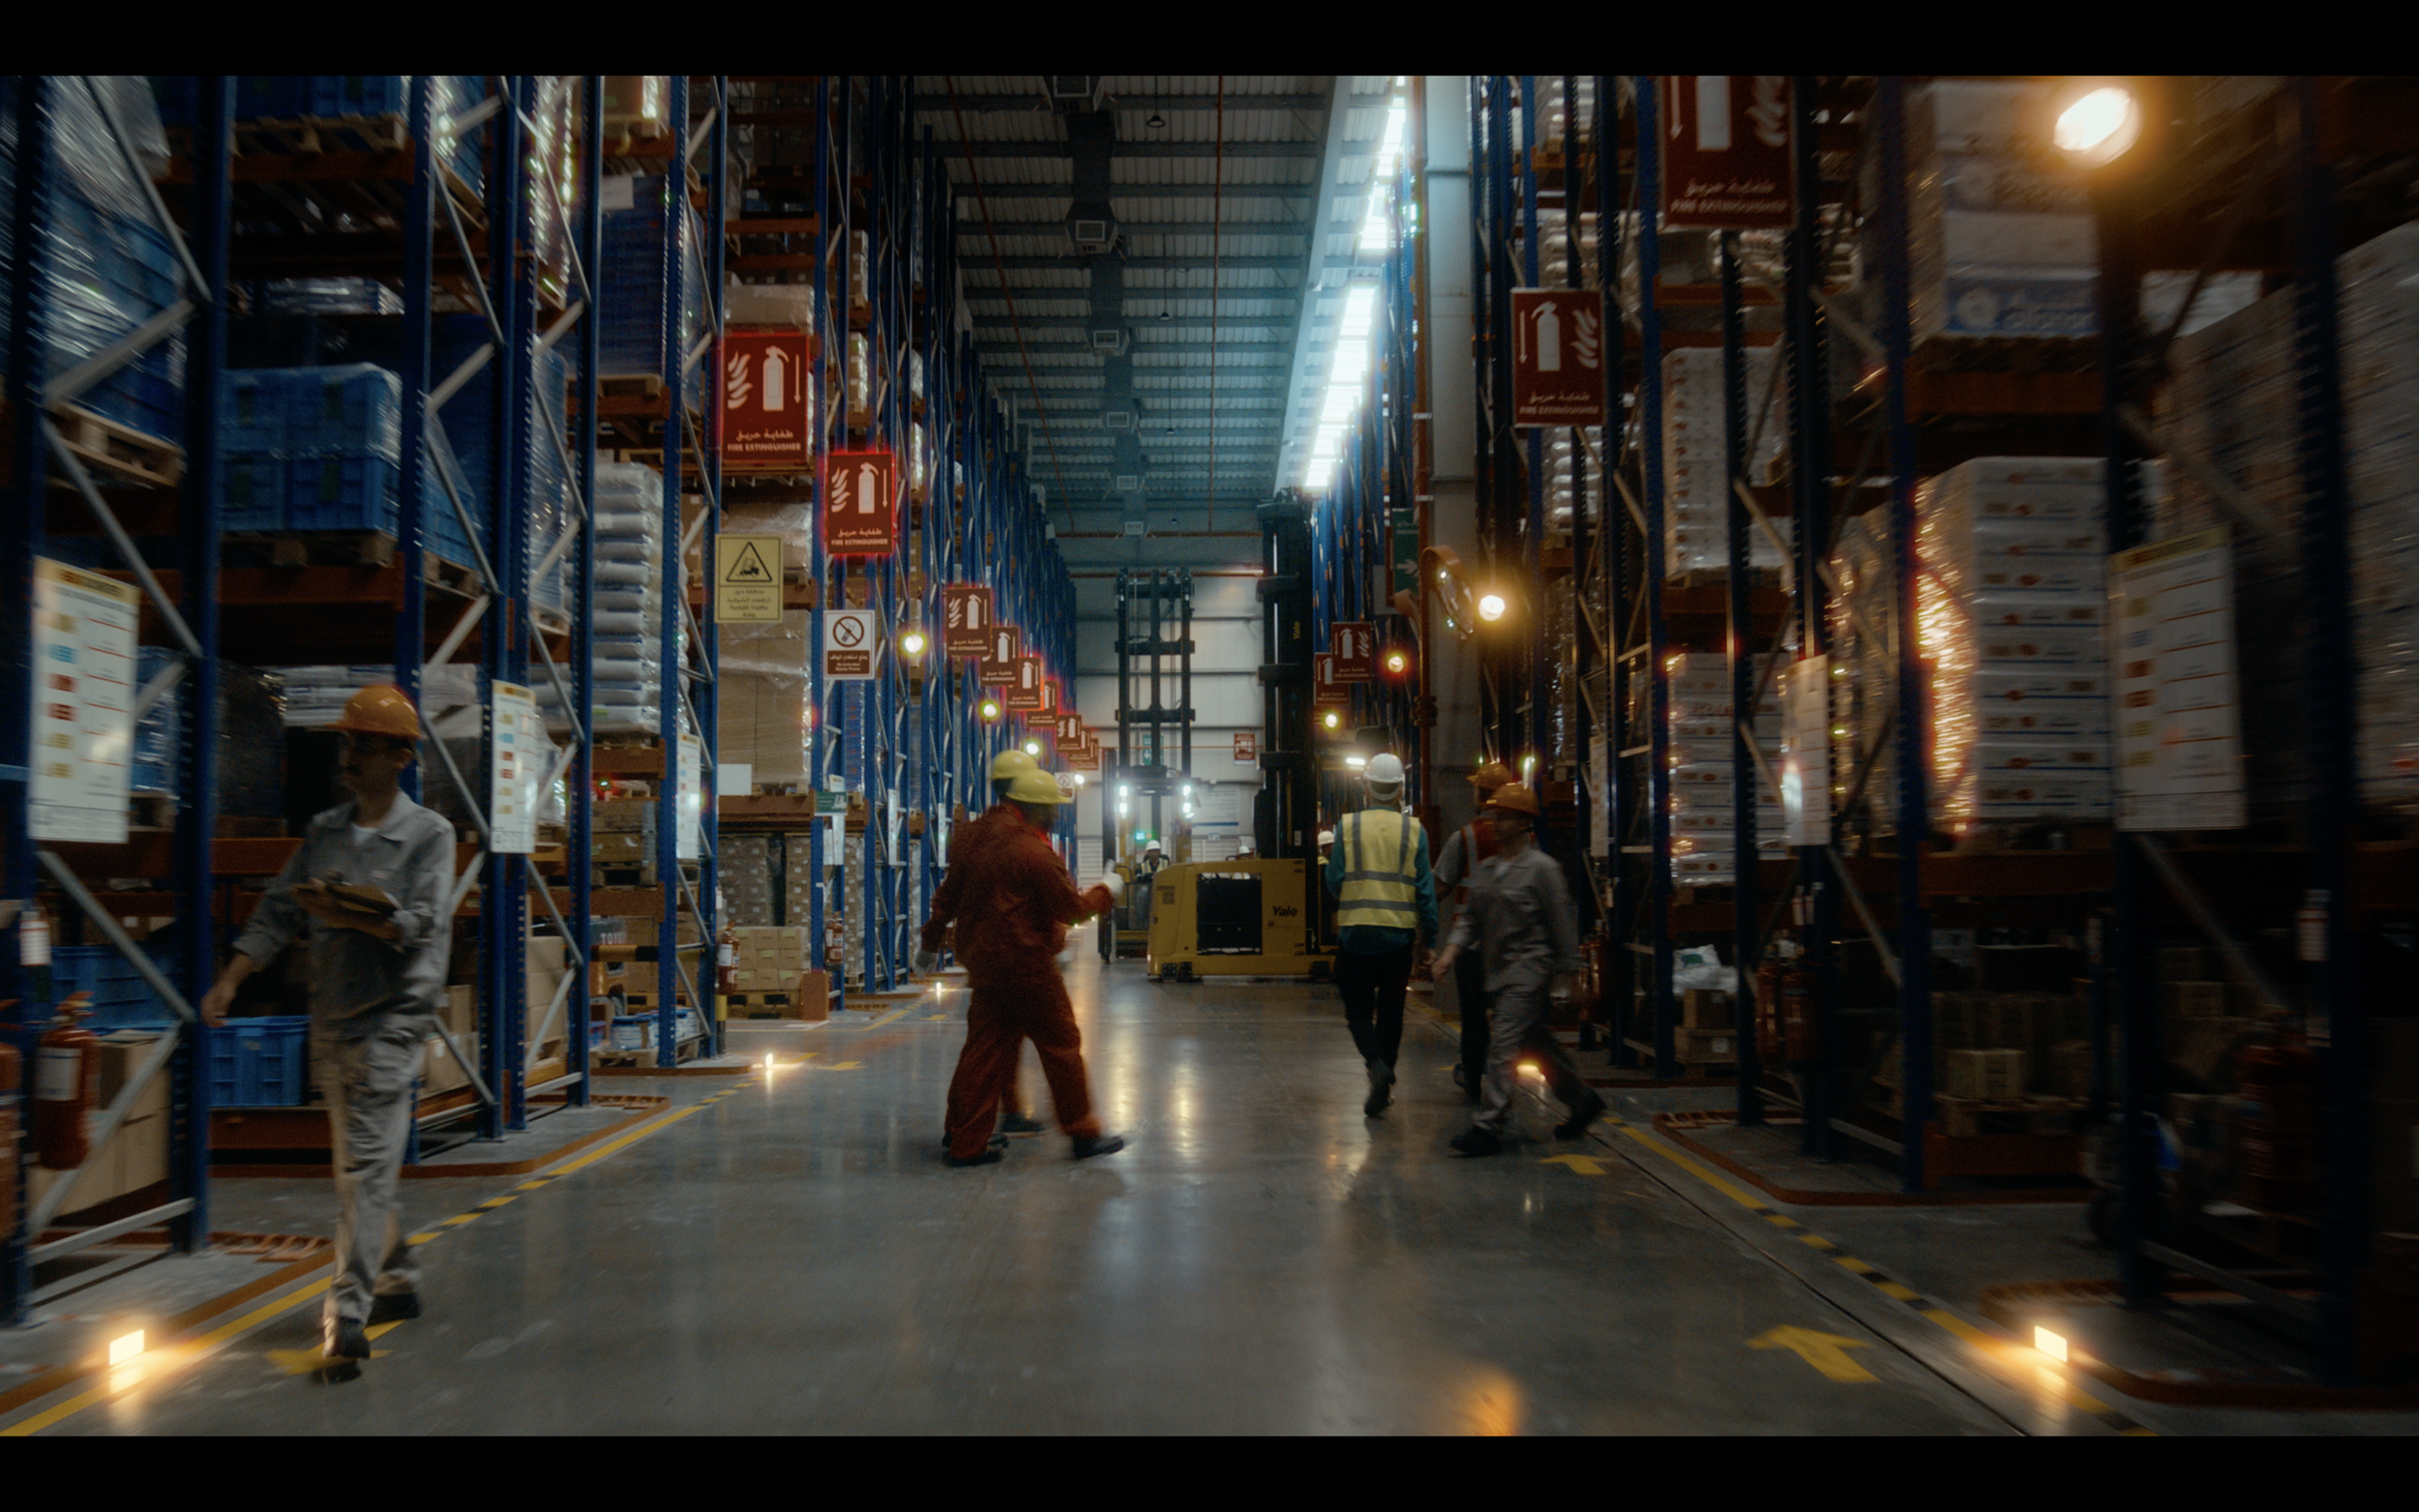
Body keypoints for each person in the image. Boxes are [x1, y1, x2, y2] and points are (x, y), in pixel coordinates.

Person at [198, 685, 454, 1374]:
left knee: (360, 1172)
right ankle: (397, 1273)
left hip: (392, 1023)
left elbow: (421, 924)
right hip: (333, 1021)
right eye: (347, 742)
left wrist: (351, 913)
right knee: (361, 1169)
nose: (349, 755)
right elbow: (278, 912)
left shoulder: (430, 835)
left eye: (364, 744)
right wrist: (230, 979)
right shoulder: (325, 831)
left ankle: (347, 1309)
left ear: (399, 755)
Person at [929, 767, 1129, 1167]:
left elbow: (947, 895)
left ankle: (965, 1139)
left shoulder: (970, 840)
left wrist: (928, 941)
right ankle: (1083, 1132)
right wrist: (1107, 890)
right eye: (1051, 808)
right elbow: (1071, 910)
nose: (1055, 815)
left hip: (985, 967)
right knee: (1062, 1045)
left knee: (982, 1052)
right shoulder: (1032, 852)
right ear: (1033, 808)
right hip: (1028, 968)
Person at [1429, 784, 1604, 1155]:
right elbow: (1470, 921)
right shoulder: (1490, 869)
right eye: (1495, 814)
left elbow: (1561, 924)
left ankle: (1489, 1125)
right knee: (1535, 1044)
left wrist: (1570, 974)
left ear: (1525, 823)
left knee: (1504, 1046)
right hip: (1496, 973)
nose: (1496, 821)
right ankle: (1583, 1100)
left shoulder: (1542, 869)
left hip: (1527, 973)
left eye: (1506, 815)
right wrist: (1448, 955)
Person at [919, 750, 1053, 1142]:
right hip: (1015, 958)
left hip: (993, 955)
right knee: (995, 1047)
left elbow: (948, 894)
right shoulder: (1012, 839)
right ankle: (969, 1126)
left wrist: (930, 941)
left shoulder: (980, 834)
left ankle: (998, 1115)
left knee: (999, 1043)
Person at [1323, 753, 1437, 1117]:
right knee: (1391, 1013)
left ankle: (1375, 1064)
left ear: (1366, 786)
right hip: (1399, 937)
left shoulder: (1348, 827)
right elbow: (1426, 893)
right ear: (1400, 789)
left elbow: (1334, 881)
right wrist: (1430, 941)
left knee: (1357, 1010)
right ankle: (1384, 1080)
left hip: (1357, 933)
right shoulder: (1415, 830)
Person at [1433, 759, 1517, 1103]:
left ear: (1480, 794)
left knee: (1472, 1015)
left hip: (1470, 945)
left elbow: (1439, 887)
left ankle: (1471, 1076)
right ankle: (1503, 1079)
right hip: (1510, 944)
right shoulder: (1527, 839)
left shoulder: (1463, 837)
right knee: (1510, 1017)